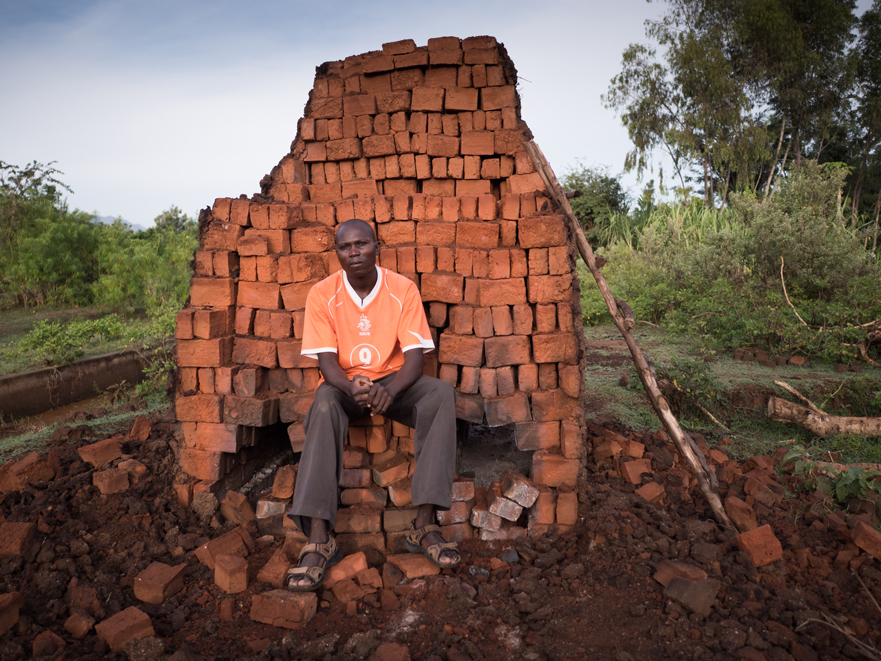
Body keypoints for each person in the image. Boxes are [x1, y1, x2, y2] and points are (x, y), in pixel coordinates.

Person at [286, 218, 461, 591]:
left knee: (441, 395)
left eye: (362, 244)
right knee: (322, 406)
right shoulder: (322, 294)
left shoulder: (402, 289)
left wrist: (391, 391)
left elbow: (415, 358)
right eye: (345, 247)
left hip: (392, 382)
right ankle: (319, 537)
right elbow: (327, 365)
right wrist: (352, 388)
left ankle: (426, 524)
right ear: (337, 253)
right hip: (343, 386)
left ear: (377, 247)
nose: (354, 253)